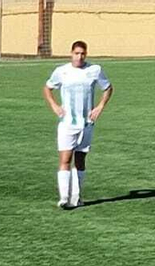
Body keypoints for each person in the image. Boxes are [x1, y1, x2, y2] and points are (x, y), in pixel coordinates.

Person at [44, 41, 111, 209]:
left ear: (86, 54)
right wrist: (54, 105)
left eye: (82, 54)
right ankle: (64, 198)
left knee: (80, 160)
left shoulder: (94, 70)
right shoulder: (62, 71)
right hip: (67, 123)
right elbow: (47, 88)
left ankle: (77, 197)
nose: (79, 57)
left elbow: (108, 88)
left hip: (87, 123)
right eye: (76, 53)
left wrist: (100, 106)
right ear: (71, 53)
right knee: (65, 159)